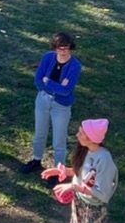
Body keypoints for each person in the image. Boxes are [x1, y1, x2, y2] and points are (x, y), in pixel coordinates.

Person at [44, 117, 117, 223]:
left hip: (94, 207)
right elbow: (83, 175)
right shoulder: (87, 151)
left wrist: (73, 186)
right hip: (81, 201)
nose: (77, 134)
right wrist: (64, 172)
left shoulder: (104, 160)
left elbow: (101, 191)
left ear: (91, 138)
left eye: (81, 133)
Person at [21, 33, 82, 173]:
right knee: (39, 133)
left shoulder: (75, 66)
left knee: (59, 140)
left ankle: (57, 170)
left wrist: (47, 82)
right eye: (59, 48)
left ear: (70, 48)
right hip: (42, 99)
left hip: (61, 105)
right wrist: (56, 86)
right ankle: (36, 160)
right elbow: (37, 80)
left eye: (65, 48)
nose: (62, 52)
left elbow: (66, 90)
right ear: (54, 48)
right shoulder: (48, 57)